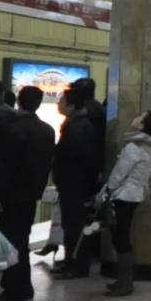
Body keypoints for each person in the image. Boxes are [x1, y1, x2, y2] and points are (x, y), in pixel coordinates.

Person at [0, 86, 55, 301]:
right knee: (22, 237)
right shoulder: (47, 130)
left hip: (11, 194)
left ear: (19, 103)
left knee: (12, 241)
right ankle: (23, 286)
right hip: (31, 194)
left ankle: (15, 287)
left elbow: (1, 167)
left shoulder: (12, 130)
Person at [49, 77, 107, 278]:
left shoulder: (78, 128)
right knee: (72, 224)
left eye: (62, 101)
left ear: (72, 106)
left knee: (74, 224)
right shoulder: (81, 121)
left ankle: (77, 265)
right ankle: (72, 261)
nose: (58, 104)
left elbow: (82, 157)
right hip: (77, 183)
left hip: (76, 184)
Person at [100, 110, 151, 295]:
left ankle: (125, 282)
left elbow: (119, 173)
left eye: (140, 117)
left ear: (142, 125)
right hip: (134, 195)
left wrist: (106, 193)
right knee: (122, 234)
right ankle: (124, 280)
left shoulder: (134, 147)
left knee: (120, 236)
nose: (135, 118)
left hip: (123, 196)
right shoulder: (150, 148)